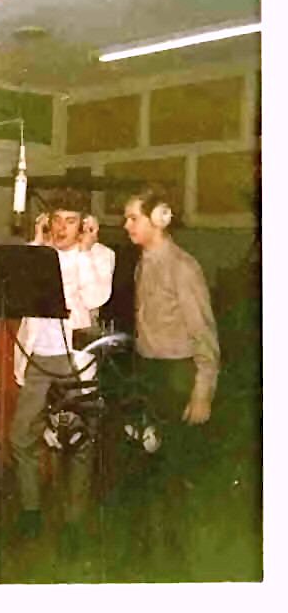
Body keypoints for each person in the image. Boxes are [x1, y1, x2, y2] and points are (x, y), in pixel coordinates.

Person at [122, 184, 220, 578]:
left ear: (159, 218)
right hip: (148, 372)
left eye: (133, 218)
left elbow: (205, 335)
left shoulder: (183, 267)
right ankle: (150, 562)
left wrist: (202, 391)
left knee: (173, 475)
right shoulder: (144, 261)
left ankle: (177, 572)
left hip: (177, 375)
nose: (126, 224)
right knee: (147, 469)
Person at [10, 189, 115, 541]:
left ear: (85, 224)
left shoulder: (102, 255)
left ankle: (73, 520)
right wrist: (37, 246)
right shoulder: (38, 252)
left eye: (70, 221)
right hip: (38, 354)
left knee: (80, 441)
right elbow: (19, 292)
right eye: (56, 220)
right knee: (21, 435)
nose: (61, 228)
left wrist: (83, 252)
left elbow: (96, 298)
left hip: (77, 360)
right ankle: (30, 510)